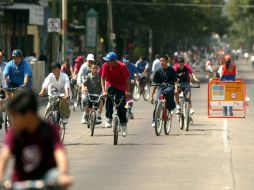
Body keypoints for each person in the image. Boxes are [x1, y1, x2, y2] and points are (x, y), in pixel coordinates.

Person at [0, 90, 72, 188]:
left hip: (46, 180)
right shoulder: (14, 132)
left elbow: (59, 152)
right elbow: (5, 155)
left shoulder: (48, 130)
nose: (12, 121)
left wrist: (63, 174)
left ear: (28, 115)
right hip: (21, 182)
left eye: (15, 116)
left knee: (56, 176)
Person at [100, 52, 131, 137]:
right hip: (110, 84)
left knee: (121, 107)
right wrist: (104, 91)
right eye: (105, 60)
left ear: (114, 61)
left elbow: (127, 79)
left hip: (121, 86)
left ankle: (124, 126)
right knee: (109, 98)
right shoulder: (105, 66)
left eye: (108, 61)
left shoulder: (122, 66)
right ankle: (109, 118)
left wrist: (128, 92)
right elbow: (102, 78)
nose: (106, 62)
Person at [151, 55, 178, 127]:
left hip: (170, 86)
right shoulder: (158, 72)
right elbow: (155, 84)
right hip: (161, 87)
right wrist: (152, 95)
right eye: (160, 61)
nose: (161, 62)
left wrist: (175, 89)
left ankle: (170, 107)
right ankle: (154, 120)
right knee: (157, 102)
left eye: (163, 61)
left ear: (167, 61)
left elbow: (175, 82)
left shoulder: (172, 70)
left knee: (168, 92)